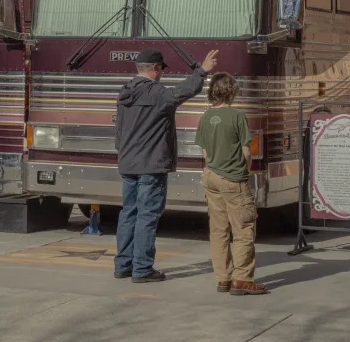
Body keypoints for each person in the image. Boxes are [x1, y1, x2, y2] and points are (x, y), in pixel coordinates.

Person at [113, 47, 219, 283]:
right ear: (155, 68)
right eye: (161, 70)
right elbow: (184, 91)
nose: (161, 74)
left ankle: (123, 265)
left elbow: (119, 132)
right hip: (151, 164)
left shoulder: (125, 91)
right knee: (147, 216)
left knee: (128, 213)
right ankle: (142, 269)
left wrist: (124, 154)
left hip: (128, 163)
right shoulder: (157, 93)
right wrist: (202, 71)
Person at [195, 73, 268, 296]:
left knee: (219, 230)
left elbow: (205, 152)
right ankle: (242, 279)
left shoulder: (206, 116)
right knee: (244, 229)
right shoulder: (237, 116)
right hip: (233, 179)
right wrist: (243, 172)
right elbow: (247, 152)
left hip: (211, 176)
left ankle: (223, 278)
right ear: (232, 92)